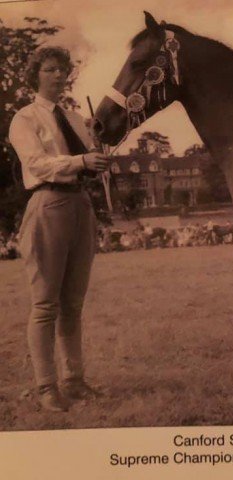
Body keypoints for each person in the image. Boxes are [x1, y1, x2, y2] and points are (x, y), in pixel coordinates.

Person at [8, 46, 109, 412]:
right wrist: (81, 159)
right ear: (35, 74)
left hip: (80, 205)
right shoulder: (24, 118)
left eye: (62, 70)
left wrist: (97, 160)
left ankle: (74, 380)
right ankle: (46, 386)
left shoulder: (75, 117)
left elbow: (85, 164)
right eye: (50, 69)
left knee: (73, 303)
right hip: (48, 204)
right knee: (46, 303)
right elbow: (37, 163)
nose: (57, 75)